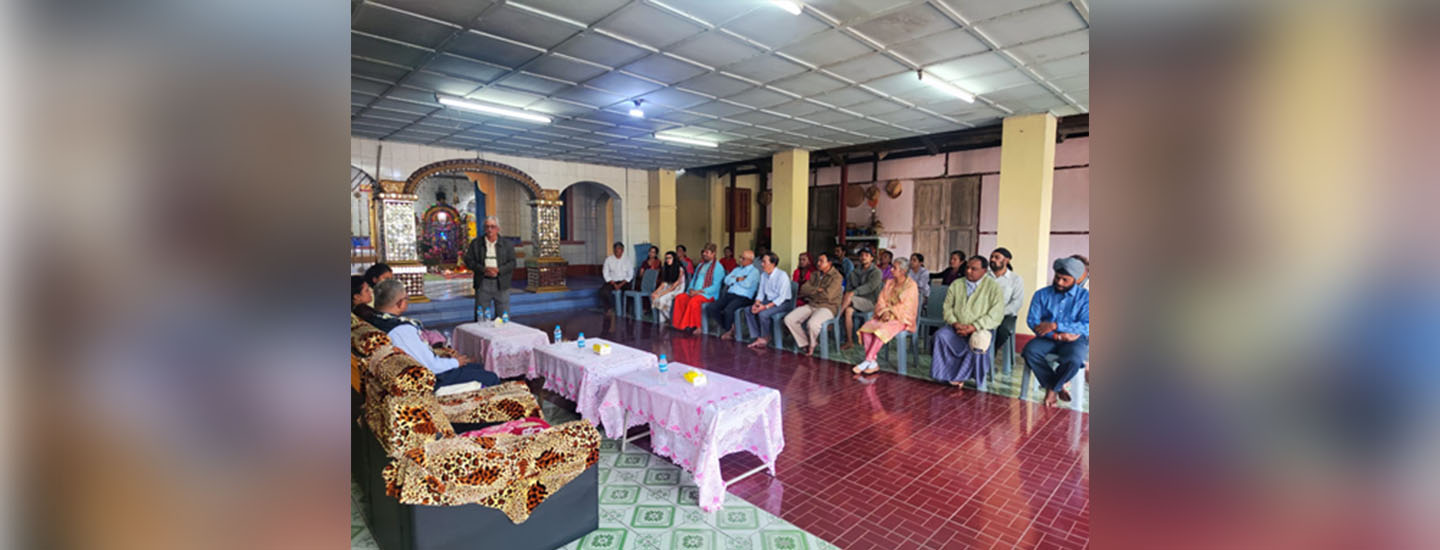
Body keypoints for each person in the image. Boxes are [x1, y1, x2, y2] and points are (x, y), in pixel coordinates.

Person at [370, 280, 500, 387]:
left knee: (478, 367)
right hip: (434, 379)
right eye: (406, 298)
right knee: (491, 377)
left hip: (419, 369)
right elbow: (431, 366)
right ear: (399, 303)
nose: (407, 301)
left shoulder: (377, 319)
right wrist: (456, 362)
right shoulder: (401, 330)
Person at [1021, 257, 1090, 407]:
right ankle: (1056, 385)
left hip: (1074, 339)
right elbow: (1033, 321)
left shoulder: (1085, 298)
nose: (1059, 282)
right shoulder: (1041, 294)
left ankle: (1052, 389)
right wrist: (1055, 334)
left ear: (1076, 280)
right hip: (1047, 338)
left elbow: (1087, 325)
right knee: (1030, 351)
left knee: (1074, 360)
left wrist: (1055, 325)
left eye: (1065, 280)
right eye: (1057, 278)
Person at [930, 256, 1005, 388]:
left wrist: (974, 327)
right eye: (967, 268)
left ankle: (966, 377)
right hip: (956, 327)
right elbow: (947, 307)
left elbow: (996, 314)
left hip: (980, 329)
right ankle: (944, 375)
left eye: (974, 269)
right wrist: (955, 323)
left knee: (977, 343)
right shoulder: (957, 284)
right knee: (940, 336)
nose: (969, 271)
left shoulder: (993, 287)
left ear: (984, 271)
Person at [852, 256, 919, 374]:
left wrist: (891, 313)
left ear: (903, 271)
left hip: (901, 319)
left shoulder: (911, 286)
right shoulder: (889, 282)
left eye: (894, 268)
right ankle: (873, 363)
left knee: (881, 331)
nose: (891, 270)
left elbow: (907, 306)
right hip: (885, 316)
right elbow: (881, 299)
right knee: (867, 329)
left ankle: (868, 360)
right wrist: (884, 312)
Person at [783, 252, 843, 356]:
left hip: (827, 307)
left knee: (812, 323)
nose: (818, 263)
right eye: (818, 260)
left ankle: (812, 344)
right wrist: (818, 290)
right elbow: (803, 289)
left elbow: (828, 295)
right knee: (789, 319)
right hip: (812, 304)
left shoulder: (837, 277)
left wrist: (812, 292)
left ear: (829, 263)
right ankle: (805, 342)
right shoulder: (815, 274)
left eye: (821, 261)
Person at [462, 216, 516, 320]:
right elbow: (469, 261)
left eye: (492, 226)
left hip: (501, 283)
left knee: (503, 316)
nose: (489, 229)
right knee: (481, 317)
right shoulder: (476, 243)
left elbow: (512, 263)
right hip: (483, 282)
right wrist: (483, 270)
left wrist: (499, 270)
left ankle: (502, 336)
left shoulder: (507, 244)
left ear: (498, 229)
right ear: (484, 228)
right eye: (487, 227)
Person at [744, 252, 791, 350]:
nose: (762, 264)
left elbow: (781, 298)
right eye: (762, 262)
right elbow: (761, 293)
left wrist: (764, 307)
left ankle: (766, 337)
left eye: (764, 262)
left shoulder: (782, 275)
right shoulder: (764, 275)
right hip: (769, 301)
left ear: (773, 264)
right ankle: (757, 336)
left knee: (763, 314)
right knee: (748, 310)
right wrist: (756, 304)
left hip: (783, 303)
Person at [672, 243, 725, 331]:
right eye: (704, 252)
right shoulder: (700, 265)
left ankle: (698, 326)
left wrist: (698, 292)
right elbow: (693, 280)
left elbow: (715, 287)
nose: (704, 254)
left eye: (707, 252)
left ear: (713, 254)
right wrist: (691, 289)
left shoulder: (718, 267)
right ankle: (680, 325)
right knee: (680, 298)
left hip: (708, 295)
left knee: (694, 301)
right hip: (694, 292)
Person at [837, 248, 882, 350]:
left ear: (871, 258)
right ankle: (849, 341)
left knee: (849, 296)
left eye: (866, 255)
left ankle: (837, 317)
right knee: (848, 311)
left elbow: (870, 286)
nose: (863, 257)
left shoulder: (876, 272)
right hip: (855, 300)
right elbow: (848, 286)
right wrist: (850, 293)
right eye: (861, 255)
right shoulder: (855, 271)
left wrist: (853, 292)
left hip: (870, 301)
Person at [987, 247, 1025, 358]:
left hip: (1005, 314)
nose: (993, 260)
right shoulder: (984, 276)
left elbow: (1017, 302)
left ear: (1006, 260)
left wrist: (998, 312)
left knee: (1004, 329)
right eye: (991, 257)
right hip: (984, 312)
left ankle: (990, 356)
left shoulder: (1016, 279)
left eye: (997, 257)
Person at [714, 250, 759, 340]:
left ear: (750, 260)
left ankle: (728, 331)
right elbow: (726, 280)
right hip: (730, 294)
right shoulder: (737, 269)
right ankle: (729, 327)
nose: (740, 260)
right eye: (740, 257)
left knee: (728, 310)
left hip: (744, 297)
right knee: (712, 307)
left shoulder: (754, 272)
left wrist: (734, 280)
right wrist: (739, 279)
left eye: (743, 258)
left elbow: (747, 284)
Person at [650, 251, 687, 325]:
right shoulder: (666, 268)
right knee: (655, 298)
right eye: (666, 258)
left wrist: (660, 294)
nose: (667, 260)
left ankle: (672, 320)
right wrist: (656, 292)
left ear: (674, 259)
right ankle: (664, 321)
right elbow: (663, 284)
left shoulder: (680, 270)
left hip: (677, 289)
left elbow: (674, 287)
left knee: (662, 299)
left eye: (670, 258)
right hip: (668, 288)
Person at [600, 241, 633, 313]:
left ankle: (626, 310)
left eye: (619, 249)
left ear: (622, 250)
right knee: (603, 291)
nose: (617, 251)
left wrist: (621, 284)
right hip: (612, 281)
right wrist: (614, 284)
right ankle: (609, 308)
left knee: (629, 291)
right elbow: (605, 273)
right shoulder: (608, 259)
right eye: (615, 249)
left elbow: (630, 274)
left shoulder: (627, 260)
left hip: (624, 282)